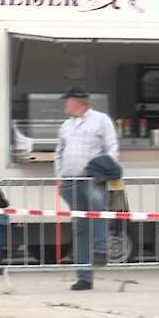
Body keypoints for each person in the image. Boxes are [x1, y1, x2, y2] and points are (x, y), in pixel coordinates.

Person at [55, 86, 119, 291]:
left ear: (78, 101)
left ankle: (101, 249)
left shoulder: (101, 120)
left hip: (92, 178)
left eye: (68, 100)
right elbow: (59, 151)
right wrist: (58, 178)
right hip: (70, 180)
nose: (66, 104)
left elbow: (112, 147)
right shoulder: (65, 126)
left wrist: (108, 169)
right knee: (80, 227)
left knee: (98, 209)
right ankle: (84, 276)